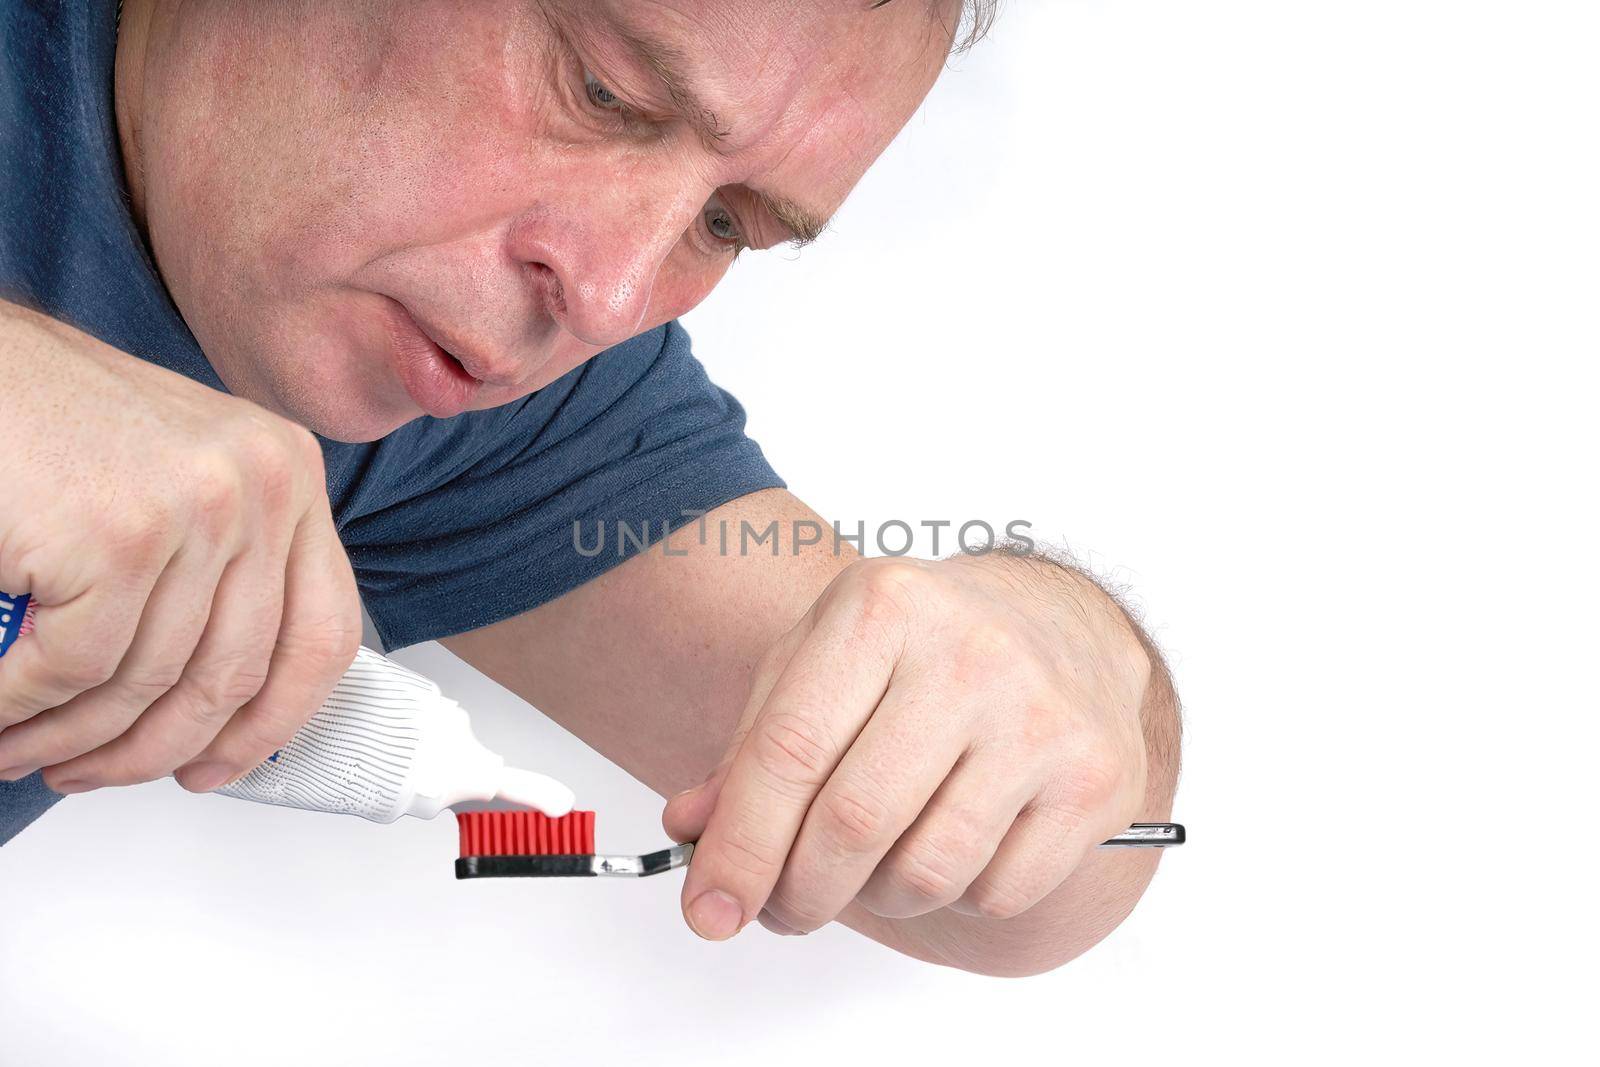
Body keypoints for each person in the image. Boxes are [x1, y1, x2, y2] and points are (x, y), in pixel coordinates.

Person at [0, 0, 1181, 977]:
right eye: (604, 94)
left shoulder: (482, 400)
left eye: (724, 222)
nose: (611, 298)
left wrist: (1068, 654)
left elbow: (1035, 898)